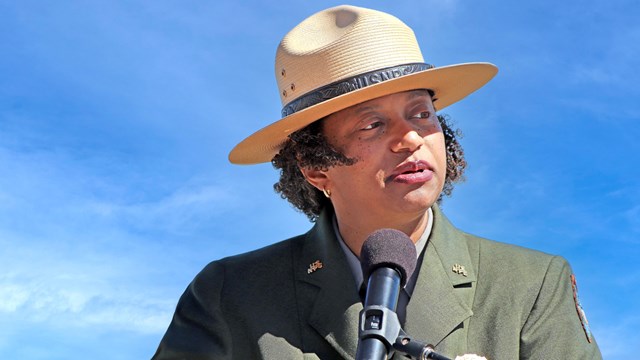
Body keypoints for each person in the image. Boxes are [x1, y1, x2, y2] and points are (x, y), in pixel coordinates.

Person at [153, 5, 602, 360]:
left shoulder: (531, 284)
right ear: (314, 167)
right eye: (371, 124)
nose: (411, 138)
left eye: (421, 114)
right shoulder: (230, 293)